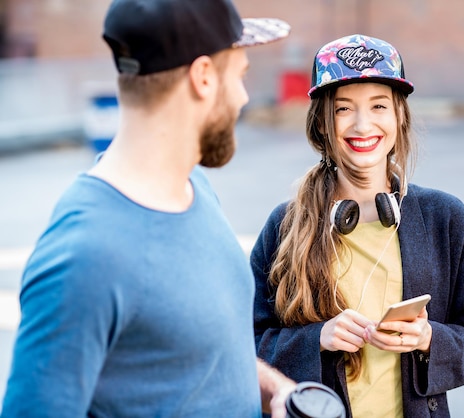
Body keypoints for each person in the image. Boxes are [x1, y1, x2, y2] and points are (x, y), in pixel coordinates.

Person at [1, 0, 296, 417]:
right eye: (241, 76)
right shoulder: (84, 256)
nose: (244, 98)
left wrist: (276, 390)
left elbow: (201, 353)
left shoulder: (195, 187)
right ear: (204, 77)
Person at [251, 34, 464, 417]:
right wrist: (315, 338)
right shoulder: (285, 225)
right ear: (322, 122)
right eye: (344, 109)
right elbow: (244, 343)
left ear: (399, 116)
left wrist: (429, 337)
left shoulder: (446, 219)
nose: (362, 124)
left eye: (379, 105)